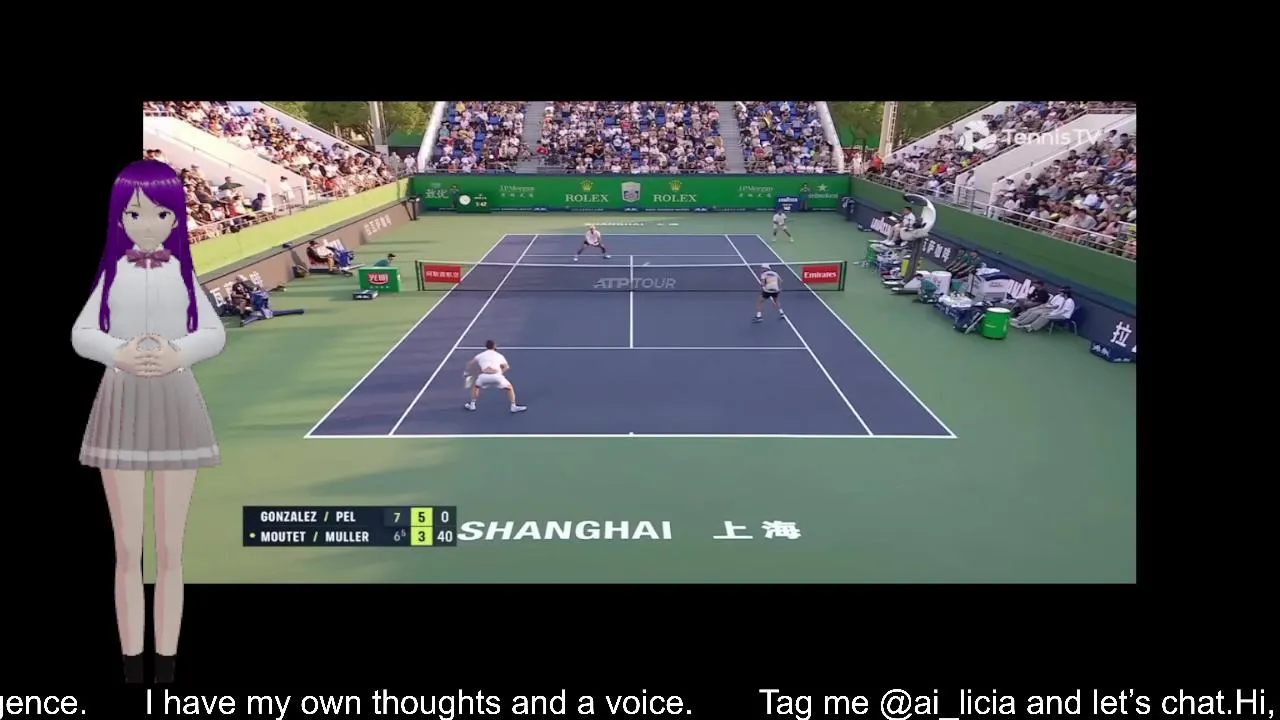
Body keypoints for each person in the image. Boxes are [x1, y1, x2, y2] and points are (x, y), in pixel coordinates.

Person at [71, 159, 226, 684]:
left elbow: (213, 334)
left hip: (175, 398)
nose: (147, 223)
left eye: (160, 213)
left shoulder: (184, 274)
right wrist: (118, 354)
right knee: (126, 550)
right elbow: (82, 334)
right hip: (121, 399)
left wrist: (178, 353)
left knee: (171, 550)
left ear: (175, 219)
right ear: (119, 217)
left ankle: (167, 662)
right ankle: (132, 663)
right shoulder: (111, 275)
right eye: (134, 213)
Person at [463, 340, 527, 413]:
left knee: (476, 387)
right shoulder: (499, 355)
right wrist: (500, 373)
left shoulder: (480, 355)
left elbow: (470, 364)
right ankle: (513, 406)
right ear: (494, 346)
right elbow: (506, 367)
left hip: (483, 377)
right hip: (497, 377)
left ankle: (472, 405)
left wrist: (467, 372)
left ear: (486, 346)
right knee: (509, 388)